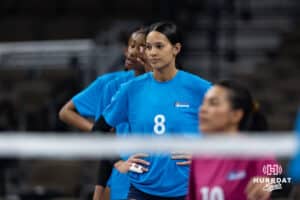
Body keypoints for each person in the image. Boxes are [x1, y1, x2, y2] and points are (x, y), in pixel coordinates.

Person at [93, 21, 211, 200]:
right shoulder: (131, 89)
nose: (153, 53)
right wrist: (119, 162)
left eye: (159, 46)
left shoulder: (199, 88)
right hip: (141, 190)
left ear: (176, 49)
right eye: (148, 47)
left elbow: (234, 130)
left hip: (187, 190)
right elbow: (99, 130)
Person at [59, 27, 149, 200]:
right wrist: (97, 129)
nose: (132, 52)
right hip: (122, 170)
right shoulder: (110, 85)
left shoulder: (167, 87)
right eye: (131, 46)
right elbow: (66, 112)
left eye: (141, 47)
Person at [187, 80, 292, 200]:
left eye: (213, 103)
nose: (202, 109)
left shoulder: (255, 150)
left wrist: (269, 185)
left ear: (236, 115)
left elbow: (285, 184)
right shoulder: (198, 156)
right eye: (203, 103)